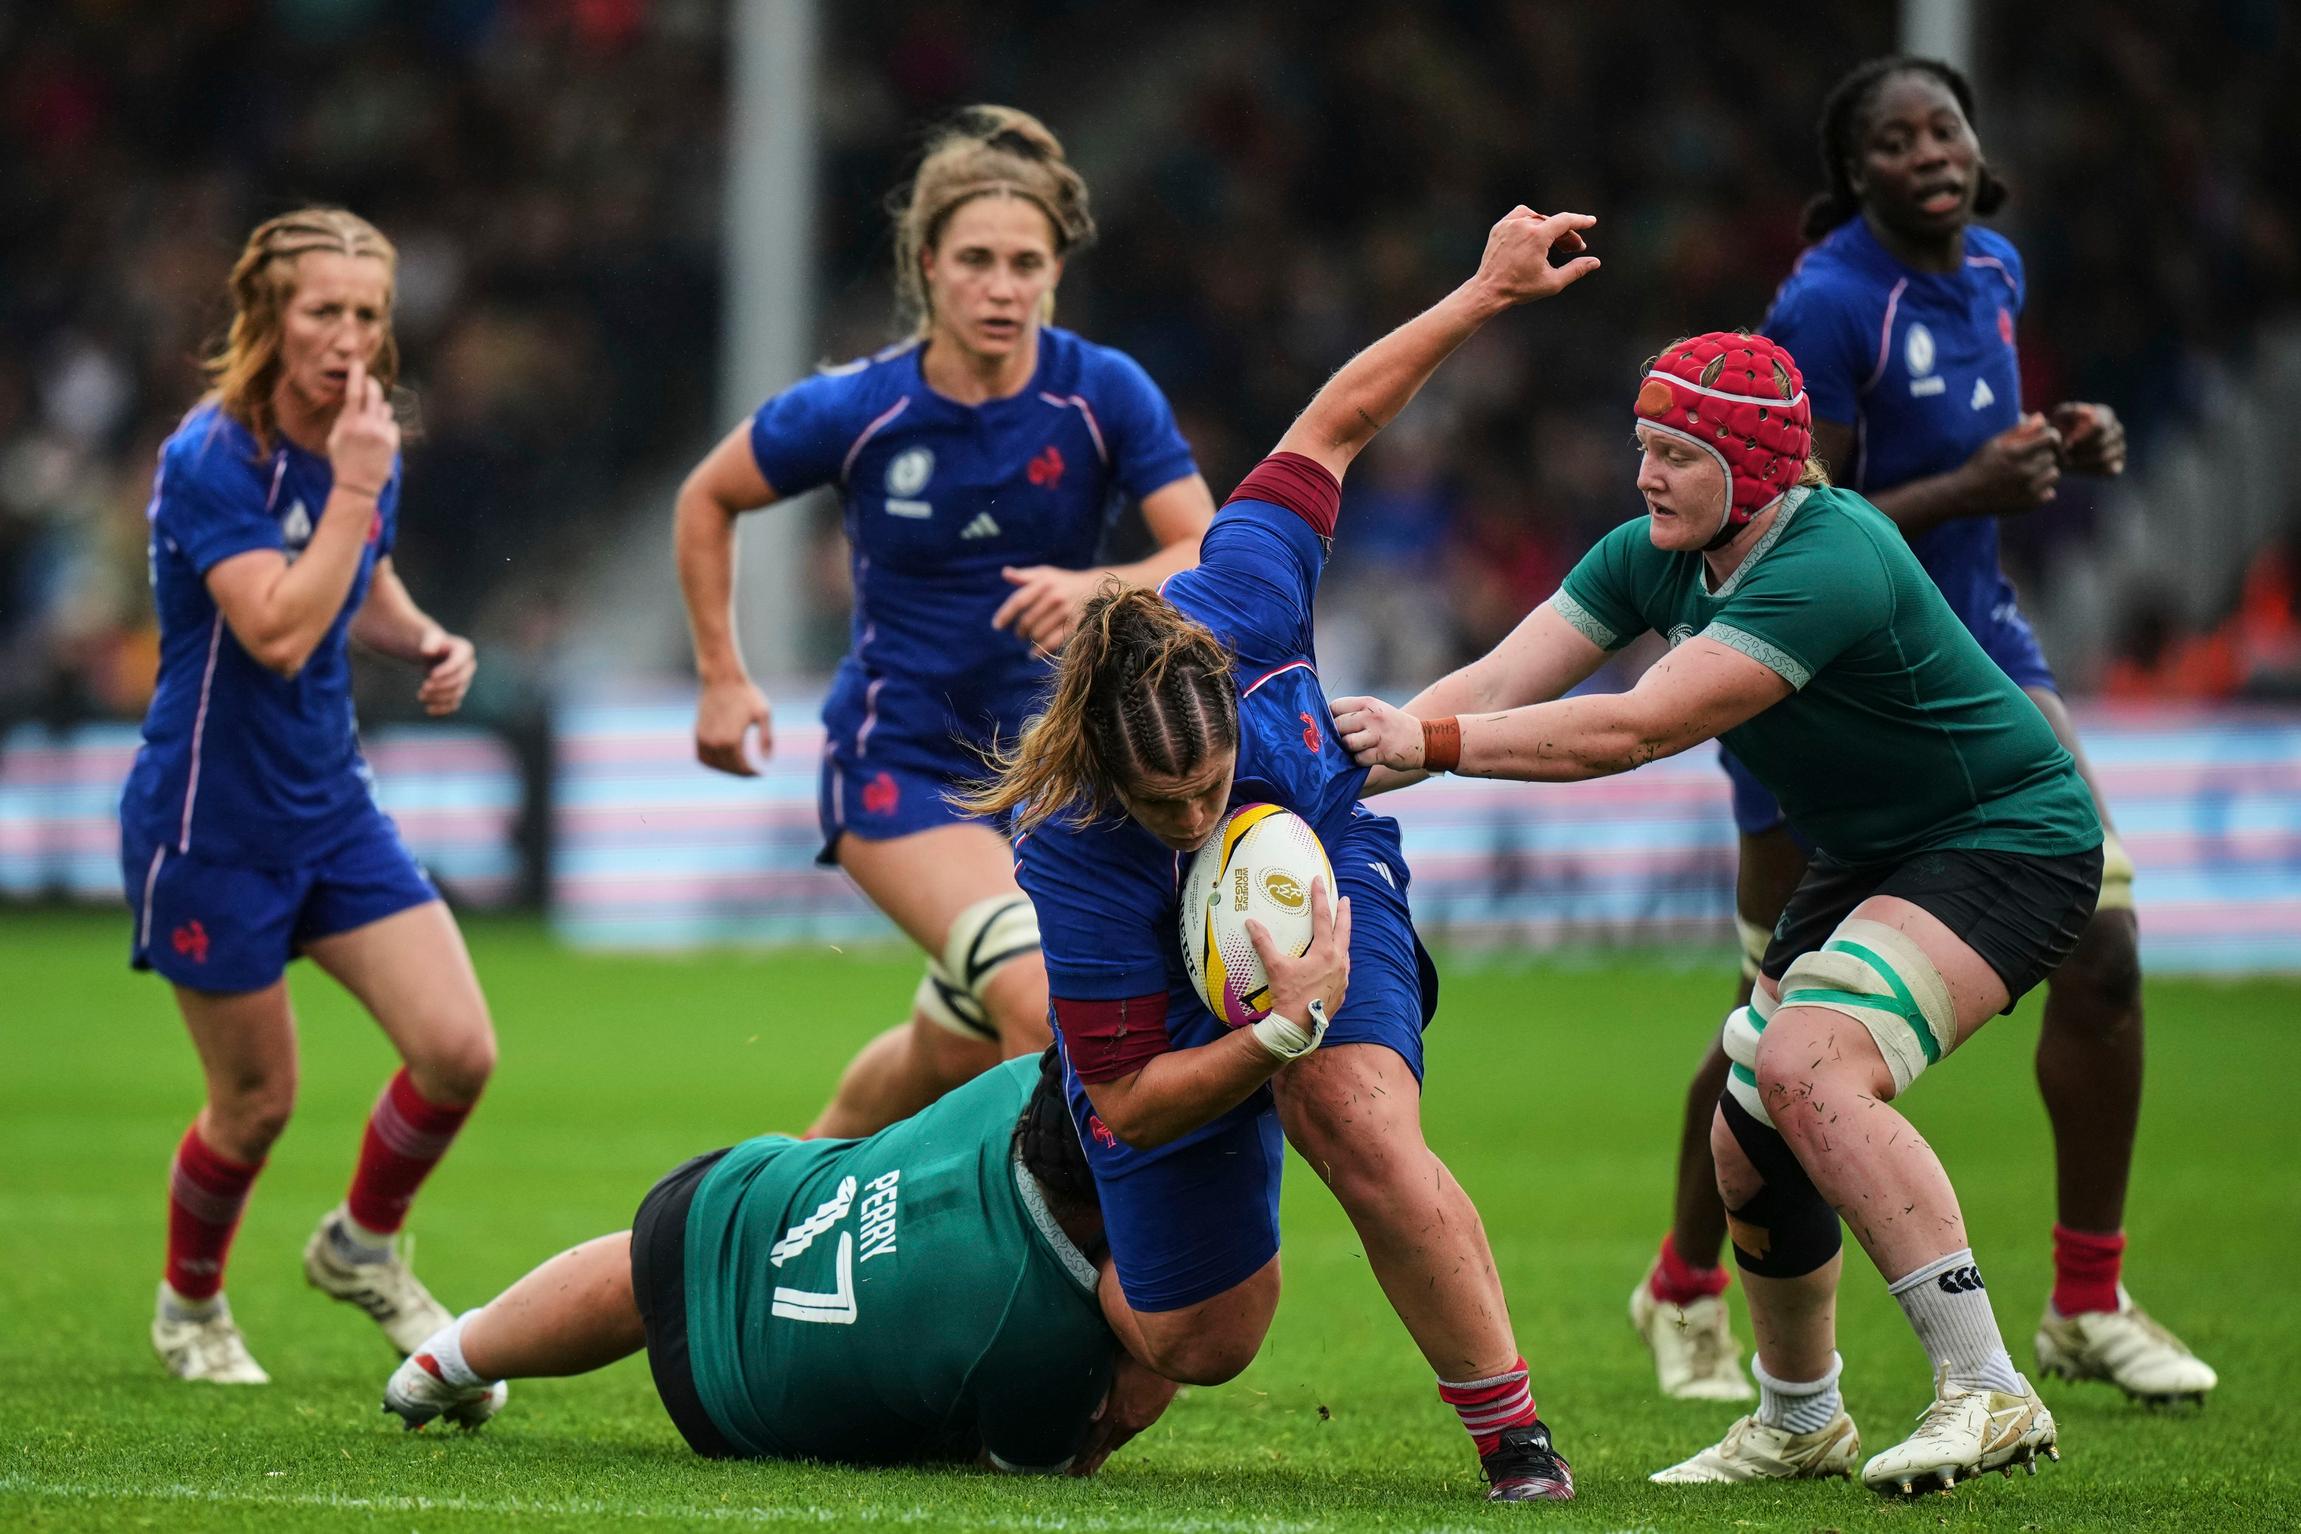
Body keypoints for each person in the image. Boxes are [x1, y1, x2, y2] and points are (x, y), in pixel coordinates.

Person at [1334, 330, 2103, 1494]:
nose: (1646, 475)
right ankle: (1801, 1419)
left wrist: (1429, 741)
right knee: (1747, 1130)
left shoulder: (1831, 555)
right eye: (1642, 445)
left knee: (1808, 1064)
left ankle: (1987, 1385)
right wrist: (1320, 779)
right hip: (1871, 851)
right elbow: (1491, 684)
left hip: (2006, 834)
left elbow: (1636, 727)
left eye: (1677, 454)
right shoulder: (1652, 552)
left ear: (1758, 469)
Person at [963, 206, 1601, 1504]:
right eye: (1165, 802)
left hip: (1331, 871)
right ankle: (1055, 1259)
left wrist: (1484, 291)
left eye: (1211, 783)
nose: (1194, 813)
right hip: (1160, 997)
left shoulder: (1250, 589)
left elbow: (1334, 422)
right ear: (1108, 770)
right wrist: (1270, 1031)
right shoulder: (1072, 839)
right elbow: (1135, 1099)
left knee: (1350, 1114)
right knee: (1207, 1338)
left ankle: (1514, 1441)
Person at [1620, 54, 2213, 1408]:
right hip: (1814, 682)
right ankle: (1685, 1281)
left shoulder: (1995, 270)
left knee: (2105, 946)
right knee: (1769, 1015)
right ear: (1855, 173)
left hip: (1974, 654)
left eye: (1944, 127)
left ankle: (2087, 1298)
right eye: (1894, 141)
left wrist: (2053, 441)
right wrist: (1969, 484)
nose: (1929, 153)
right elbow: (1792, 531)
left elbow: (1961, 447)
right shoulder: (1827, 306)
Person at [674, 105, 1215, 1141]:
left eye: (1026, 263)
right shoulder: (860, 408)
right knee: (1045, 1005)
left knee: (951, 1052)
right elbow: (708, 496)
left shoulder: (1102, 393)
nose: (1002, 287)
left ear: (1055, 272)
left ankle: (778, 1204)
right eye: (976, 261)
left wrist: (1100, 586)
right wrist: (721, 675)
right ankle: (1041, 1238)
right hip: (902, 771)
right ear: (927, 265)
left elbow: (1202, 543)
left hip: (1059, 776)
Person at [122, 209, 494, 1384]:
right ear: (268, 318)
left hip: (331, 809)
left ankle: (359, 1245)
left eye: (368, 314)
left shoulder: (361, 440)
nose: (349, 337)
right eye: (323, 310)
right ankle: (190, 1306)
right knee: (255, 1102)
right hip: (209, 825)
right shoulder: (211, 457)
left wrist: (422, 633)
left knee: (457, 1051)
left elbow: (358, 579)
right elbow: (278, 628)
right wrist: (358, 484)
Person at [382, 1050, 1180, 1478]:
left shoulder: (1013, 1081)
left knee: (641, 1267)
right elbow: (1025, 1466)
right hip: (739, 1395)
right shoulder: (1036, 1334)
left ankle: (447, 1360)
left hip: (737, 1192)